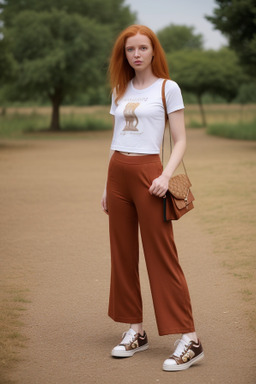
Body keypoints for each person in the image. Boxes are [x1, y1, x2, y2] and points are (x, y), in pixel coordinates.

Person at [101, 24, 204, 372]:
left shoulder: (167, 88)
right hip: (118, 173)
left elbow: (181, 140)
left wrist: (163, 175)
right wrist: (106, 184)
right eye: (131, 49)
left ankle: (190, 339)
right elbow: (116, 139)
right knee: (123, 254)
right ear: (124, 54)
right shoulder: (120, 88)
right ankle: (136, 331)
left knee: (162, 255)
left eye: (143, 48)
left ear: (153, 51)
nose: (137, 54)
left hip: (150, 175)